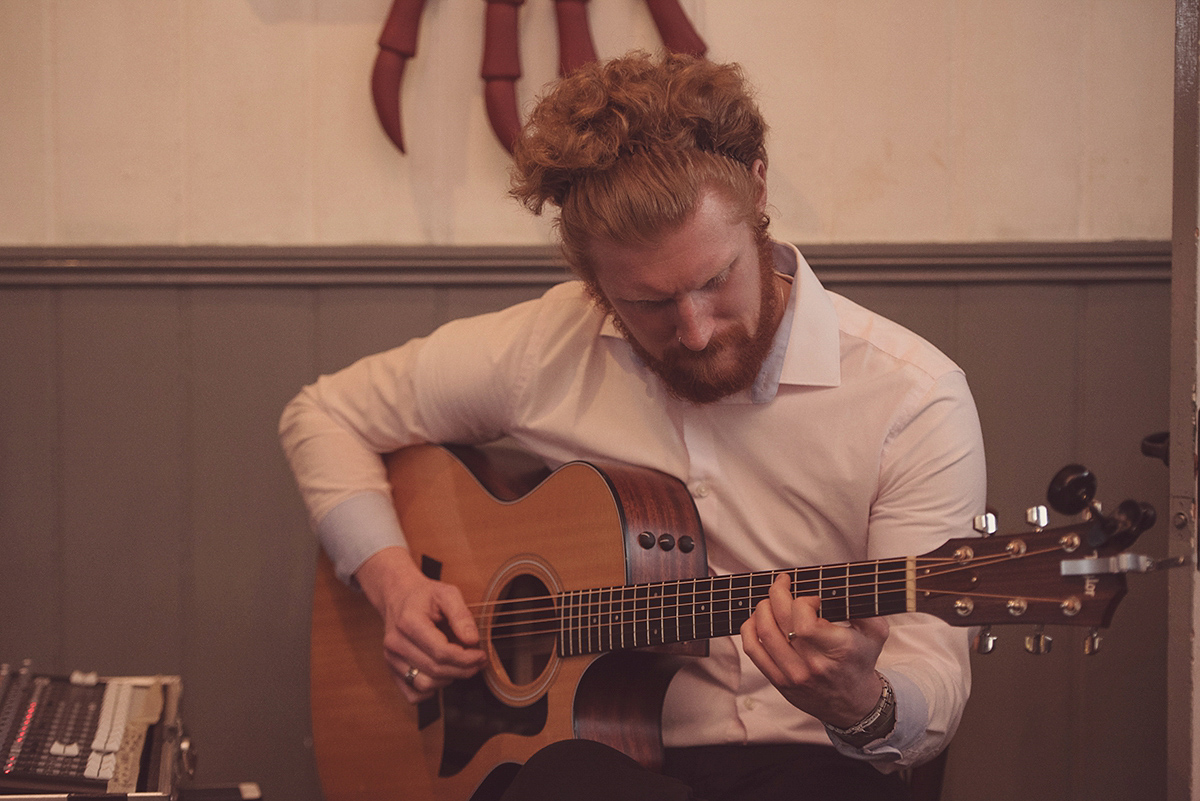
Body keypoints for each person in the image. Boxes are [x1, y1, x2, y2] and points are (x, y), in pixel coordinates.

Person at [280, 51, 986, 801]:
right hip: (617, 765)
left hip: (825, 766)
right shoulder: (550, 345)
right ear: (592, 281)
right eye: (648, 302)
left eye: (715, 280)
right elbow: (323, 414)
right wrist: (395, 586)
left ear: (757, 188)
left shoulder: (912, 398)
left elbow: (934, 677)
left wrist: (861, 700)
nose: (694, 330)